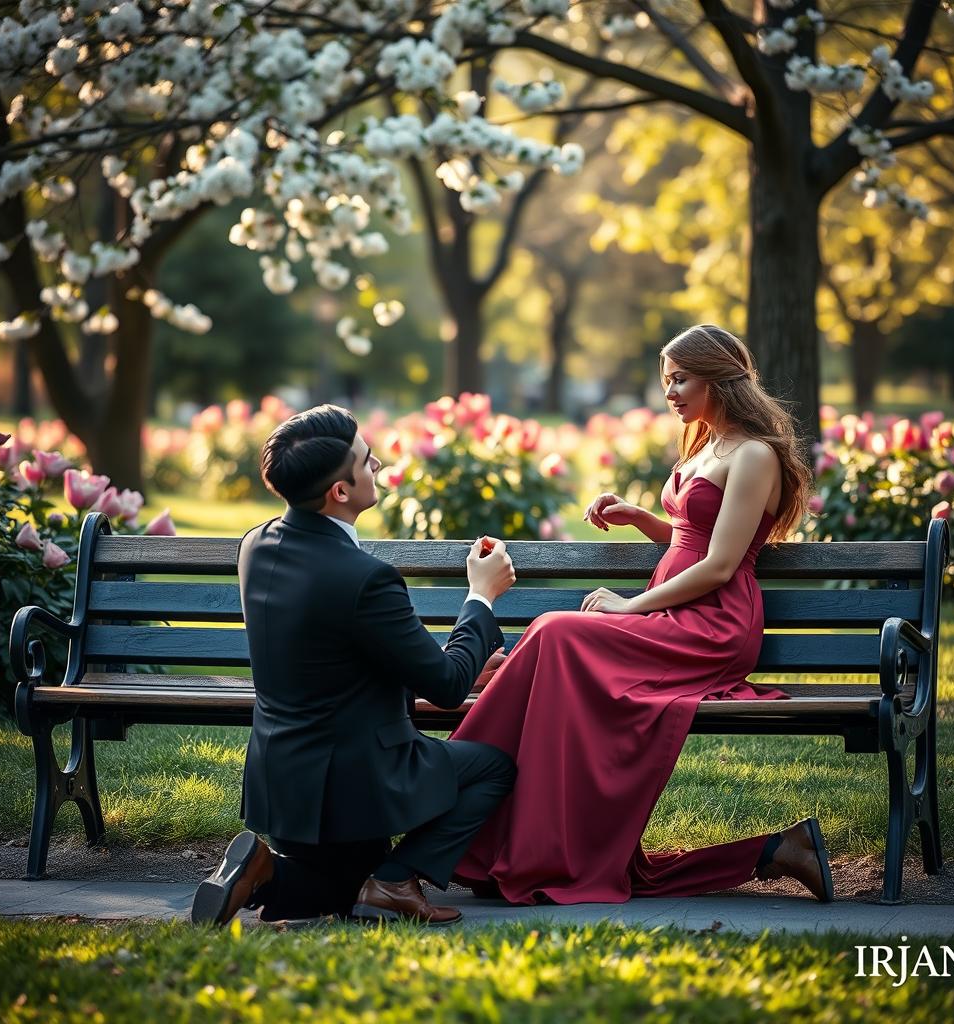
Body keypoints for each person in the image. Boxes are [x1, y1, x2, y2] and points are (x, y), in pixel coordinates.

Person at [451, 324, 835, 905]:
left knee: (556, 632)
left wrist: (628, 606)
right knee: (555, 644)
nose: (671, 393)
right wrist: (642, 520)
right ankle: (487, 829)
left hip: (713, 623)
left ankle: (463, 796)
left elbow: (721, 564)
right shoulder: (708, 445)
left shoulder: (755, 454)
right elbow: (693, 534)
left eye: (681, 379)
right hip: (675, 614)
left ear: (719, 377)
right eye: (667, 382)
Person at [191, 405, 518, 928]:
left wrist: (452, 658)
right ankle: (394, 880)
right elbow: (448, 686)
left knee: (341, 892)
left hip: (283, 780)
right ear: (339, 492)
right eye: (367, 462)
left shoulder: (257, 543)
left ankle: (265, 871)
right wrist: (480, 596)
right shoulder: (365, 577)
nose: (380, 466)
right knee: (494, 768)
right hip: (360, 780)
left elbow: (339, 653)